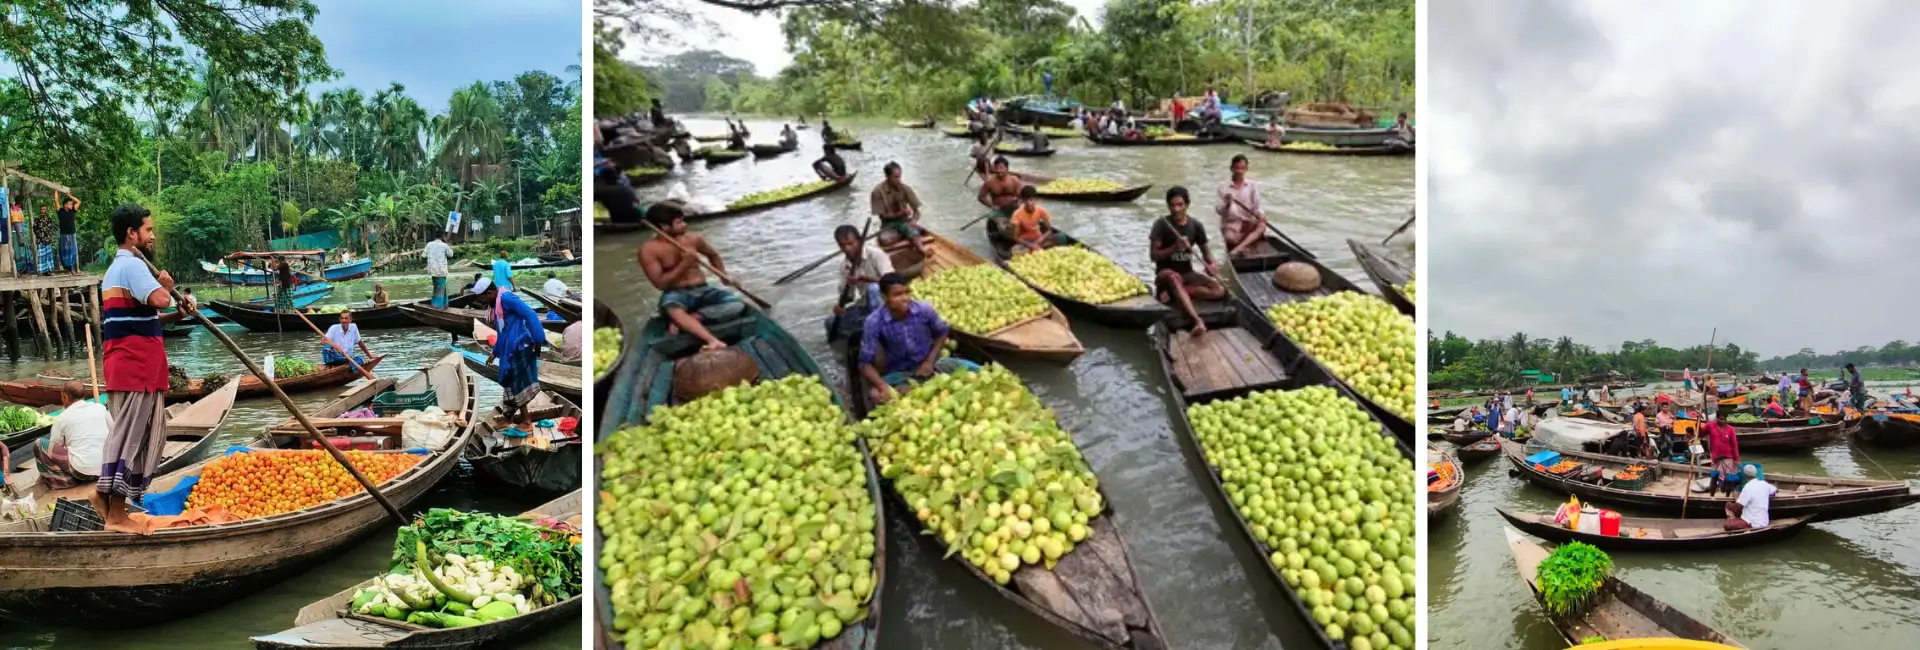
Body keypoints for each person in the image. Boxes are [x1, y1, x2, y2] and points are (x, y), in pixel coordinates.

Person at [98, 203, 189, 534]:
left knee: (127, 434)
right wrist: (166, 286)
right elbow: (159, 300)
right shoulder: (133, 265)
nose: (152, 235)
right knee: (136, 438)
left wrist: (178, 315)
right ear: (131, 234)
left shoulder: (115, 271)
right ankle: (116, 513)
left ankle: (107, 502)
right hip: (137, 367)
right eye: (148, 229)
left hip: (128, 364)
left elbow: (143, 318)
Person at [857, 273, 981, 405]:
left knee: (975, 369)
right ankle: (914, 388)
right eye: (897, 295)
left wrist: (929, 361)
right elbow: (865, 363)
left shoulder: (923, 309)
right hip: (901, 372)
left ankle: (922, 386)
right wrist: (883, 386)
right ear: (884, 297)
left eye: (907, 292)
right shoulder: (874, 322)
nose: (905, 298)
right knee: (876, 395)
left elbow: (942, 331)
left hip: (932, 365)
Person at [637, 203, 739, 351]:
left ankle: (694, 318)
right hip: (677, 294)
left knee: (736, 305)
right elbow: (660, 284)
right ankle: (712, 340)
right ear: (664, 227)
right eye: (679, 222)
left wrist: (723, 276)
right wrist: (685, 263)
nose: (685, 225)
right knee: (672, 308)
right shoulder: (648, 250)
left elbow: (713, 255)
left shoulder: (694, 239)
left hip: (704, 290)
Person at [1150, 186, 1225, 334]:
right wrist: (1174, 247)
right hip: (1165, 274)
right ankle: (1197, 321)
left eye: (1180, 205)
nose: (1176, 209)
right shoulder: (1161, 225)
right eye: (1172, 205)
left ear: (1187, 205)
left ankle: (1182, 293)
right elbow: (1153, 256)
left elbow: (1207, 255)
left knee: (1220, 291)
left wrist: (1212, 266)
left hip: (1187, 274)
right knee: (1173, 277)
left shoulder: (1196, 226)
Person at [482, 284, 547, 432]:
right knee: (508, 383)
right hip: (508, 349)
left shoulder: (507, 298)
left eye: (483, 297)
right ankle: (508, 418)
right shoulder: (497, 305)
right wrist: (494, 353)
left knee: (518, 385)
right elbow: (501, 332)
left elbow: (530, 313)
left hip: (519, 347)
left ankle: (526, 421)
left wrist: (538, 340)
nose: (483, 301)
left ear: (490, 292)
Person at [36, 381, 110, 490]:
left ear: (65, 396)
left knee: (39, 444)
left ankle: (61, 480)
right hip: (106, 469)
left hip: (81, 472)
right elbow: (113, 431)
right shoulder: (100, 408)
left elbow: (54, 446)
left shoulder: (62, 417)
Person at [831, 224, 896, 338]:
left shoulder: (876, 255)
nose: (847, 249)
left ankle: (884, 328)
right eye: (842, 245)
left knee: (873, 289)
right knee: (830, 322)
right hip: (867, 304)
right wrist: (840, 305)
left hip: (887, 302)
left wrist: (864, 279)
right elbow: (849, 297)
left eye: (850, 243)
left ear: (860, 241)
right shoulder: (844, 266)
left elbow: (893, 282)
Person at [1216, 155, 1268, 258]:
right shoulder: (1223, 187)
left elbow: (1257, 207)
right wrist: (1227, 204)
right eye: (1237, 168)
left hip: (1248, 223)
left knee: (1261, 224)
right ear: (1231, 168)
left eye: (1242, 168)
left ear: (1246, 169)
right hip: (1231, 224)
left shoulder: (1252, 185)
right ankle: (1246, 242)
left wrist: (1260, 215)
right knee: (1231, 239)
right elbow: (1218, 210)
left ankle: (1238, 248)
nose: (1239, 171)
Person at [871, 162, 927, 254]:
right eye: (896, 177)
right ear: (887, 176)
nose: (899, 180)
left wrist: (914, 220)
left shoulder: (905, 188)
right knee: (885, 241)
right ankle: (905, 234)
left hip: (904, 221)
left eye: (900, 177)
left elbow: (917, 211)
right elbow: (882, 216)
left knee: (910, 230)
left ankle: (921, 248)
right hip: (888, 224)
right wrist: (899, 214)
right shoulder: (877, 192)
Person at [1005, 186, 1056, 254]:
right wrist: (1030, 245)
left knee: (1061, 238)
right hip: (1025, 242)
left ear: (1035, 199)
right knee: (1015, 251)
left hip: (1038, 238)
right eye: (1026, 200)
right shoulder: (1017, 214)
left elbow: (1049, 230)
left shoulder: (1041, 211)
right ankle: (1034, 250)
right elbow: (1015, 237)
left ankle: (1035, 249)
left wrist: (1039, 241)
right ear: (1022, 200)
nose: (1029, 203)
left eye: (1031, 200)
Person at [1724, 463, 1774, 531]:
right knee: (1729, 505)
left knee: (1727, 525)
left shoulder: (1747, 487)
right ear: (1756, 474)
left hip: (1752, 523)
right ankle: (1735, 519)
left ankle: (1734, 521)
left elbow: (1739, 506)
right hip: (1764, 521)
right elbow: (1775, 490)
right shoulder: (1765, 484)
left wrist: (1736, 495)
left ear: (1745, 476)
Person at [1704, 409, 1741, 494]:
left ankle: (1727, 496)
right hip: (1716, 457)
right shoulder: (1710, 426)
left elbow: (1734, 445)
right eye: (1721, 419)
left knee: (1730, 479)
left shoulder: (1731, 429)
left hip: (1728, 457)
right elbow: (1701, 433)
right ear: (1717, 418)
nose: (1723, 421)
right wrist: (1697, 425)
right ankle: (1712, 496)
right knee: (1714, 477)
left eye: (1724, 419)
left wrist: (1736, 459)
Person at [424, 234, 452, 308]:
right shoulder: (444, 245)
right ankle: (438, 307)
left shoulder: (429, 244)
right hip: (441, 271)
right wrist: (447, 243)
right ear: (443, 237)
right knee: (439, 289)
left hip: (433, 271)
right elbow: (451, 254)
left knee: (438, 288)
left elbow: (424, 255)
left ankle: (445, 305)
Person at [56, 193, 80, 272]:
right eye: (70, 204)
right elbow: (56, 200)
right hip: (64, 235)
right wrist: (56, 190)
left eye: (72, 204)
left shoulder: (73, 211)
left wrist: (70, 196)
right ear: (65, 205)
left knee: (72, 251)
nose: (72, 205)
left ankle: (71, 268)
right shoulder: (60, 211)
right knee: (64, 251)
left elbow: (78, 202)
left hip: (72, 234)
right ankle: (66, 267)